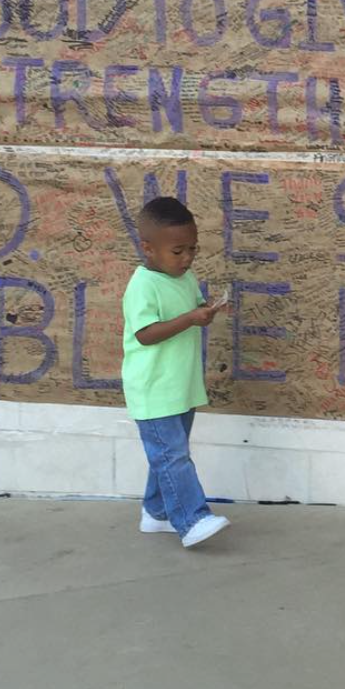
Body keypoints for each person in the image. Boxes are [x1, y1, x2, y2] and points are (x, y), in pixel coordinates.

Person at [122, 197, 230, 548]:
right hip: (153, 389)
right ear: (148, 249)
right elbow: (145, 333)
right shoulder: (143, 285)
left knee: (168, 454)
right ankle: (192, 519)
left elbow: (184, 313)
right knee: (173, 456)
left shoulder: (184, 277)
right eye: (178, 251)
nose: (187, 259)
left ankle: (156, 513)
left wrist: (201, 311)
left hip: (179, 386)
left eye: (192, 250)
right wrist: (188, 319)